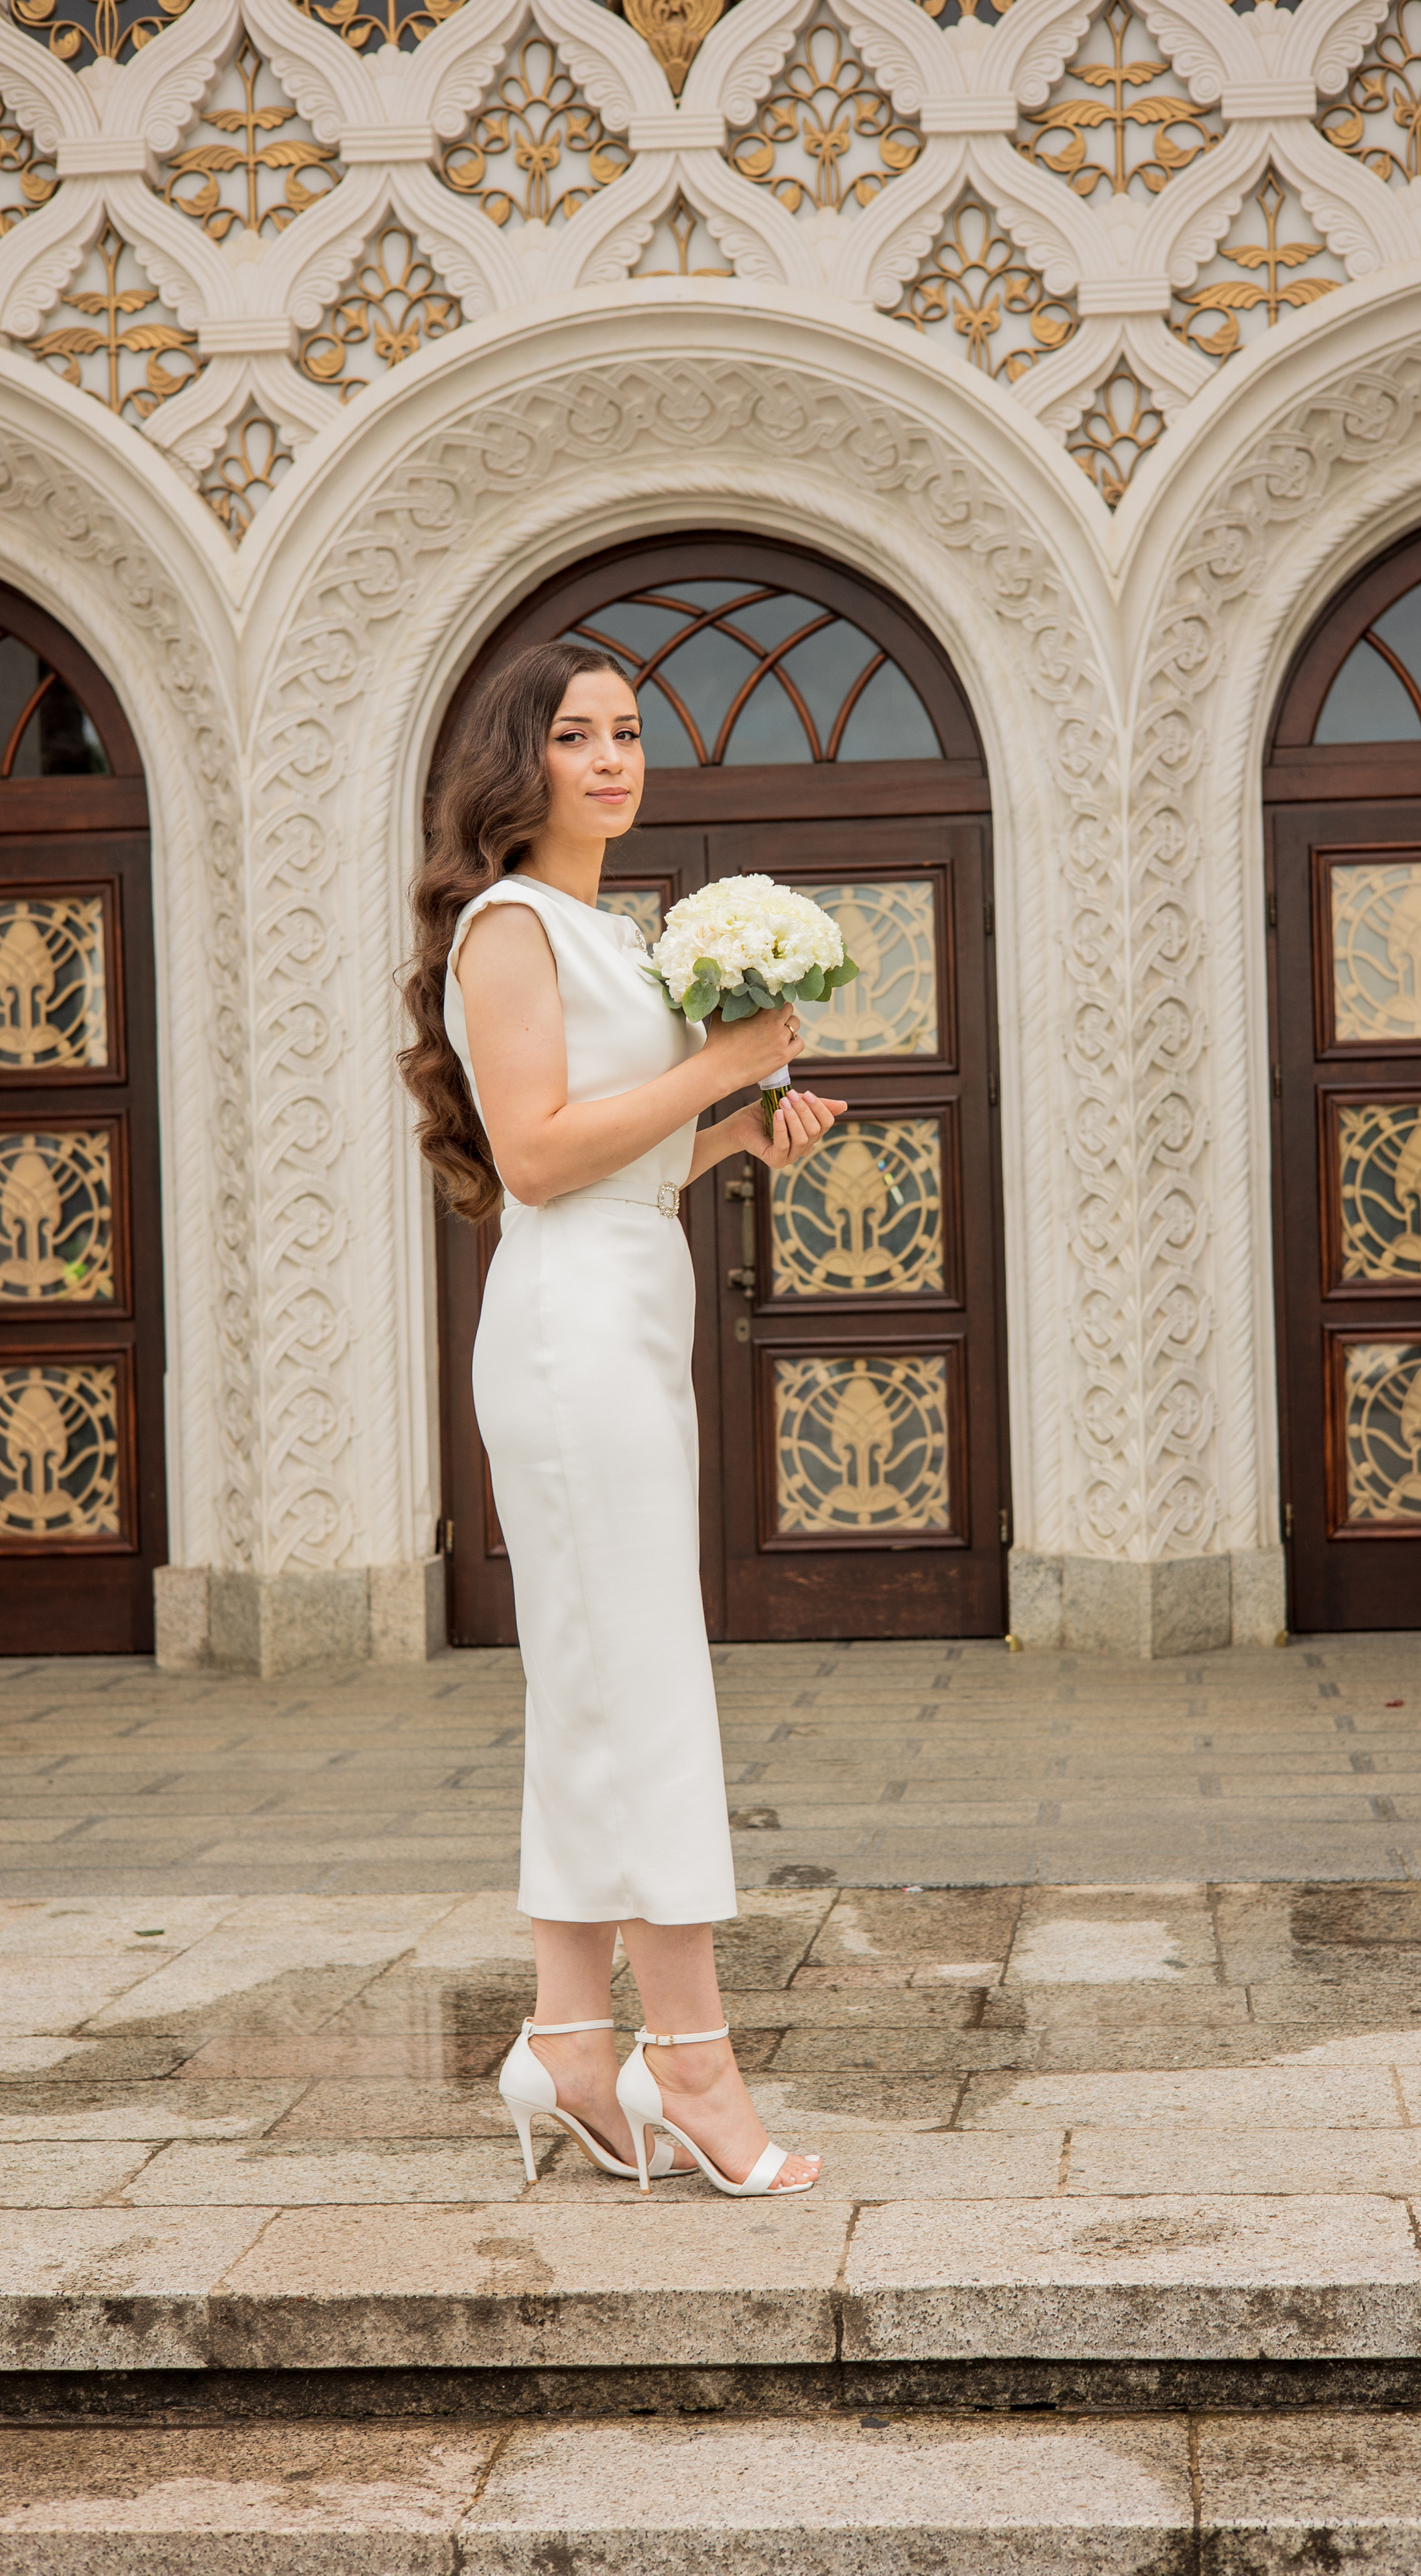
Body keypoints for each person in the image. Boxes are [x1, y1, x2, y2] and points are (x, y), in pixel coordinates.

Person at [400, 641, 846, 2197]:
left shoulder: (604, 932)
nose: (610, 758)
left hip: (621, 1312)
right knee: (643, 1682)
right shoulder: (508, 926)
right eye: (574, 734)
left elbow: (617, 1154)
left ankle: (573, 2042)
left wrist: (737, 1131)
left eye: (628, 733)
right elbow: (530, 1156)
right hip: (567, 1333)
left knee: (597, 1680)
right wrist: (717, 1065)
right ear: (514, 767)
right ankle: (695, 2066)